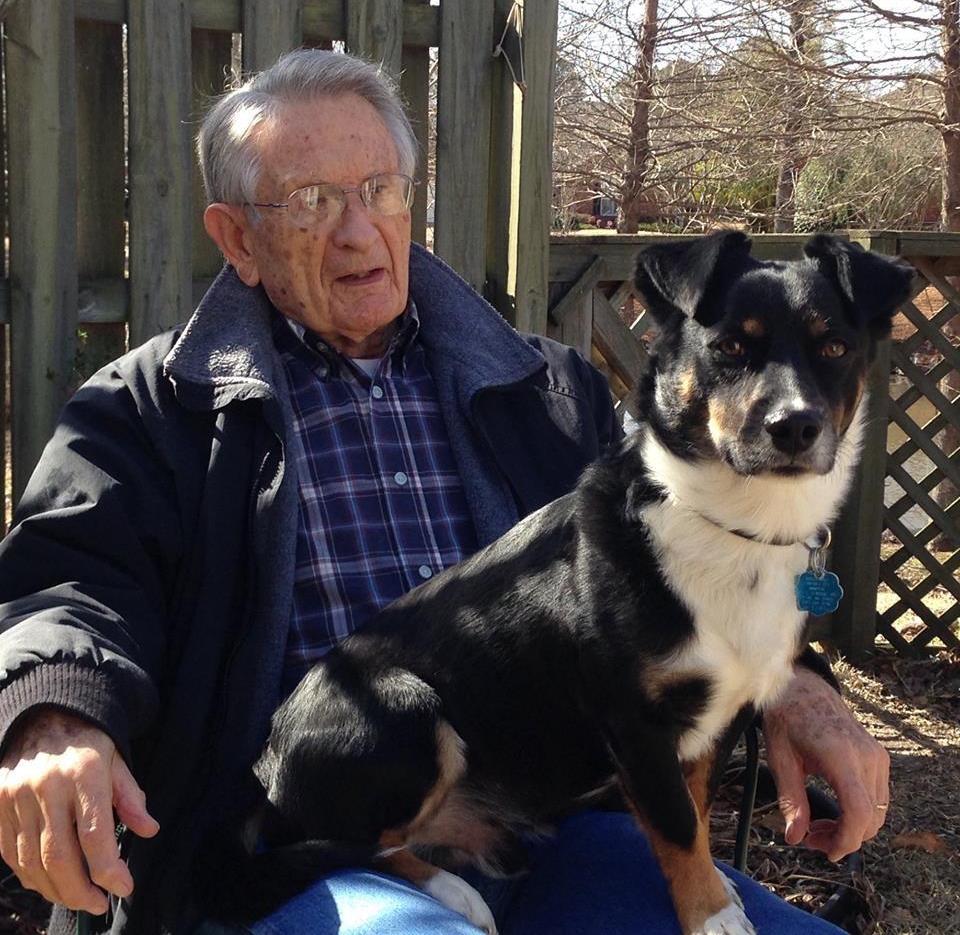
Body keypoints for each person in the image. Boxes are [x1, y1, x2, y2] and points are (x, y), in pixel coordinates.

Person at [0, 49, 888, 935]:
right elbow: (67, 584)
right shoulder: (149, 413)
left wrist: (793, 683)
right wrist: (53, 715)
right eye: (311, 201)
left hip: (562, 822)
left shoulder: (547, 389)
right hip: (296, 839)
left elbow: (693, 567)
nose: (358, 230)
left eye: (380, 188)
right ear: (237, 238)